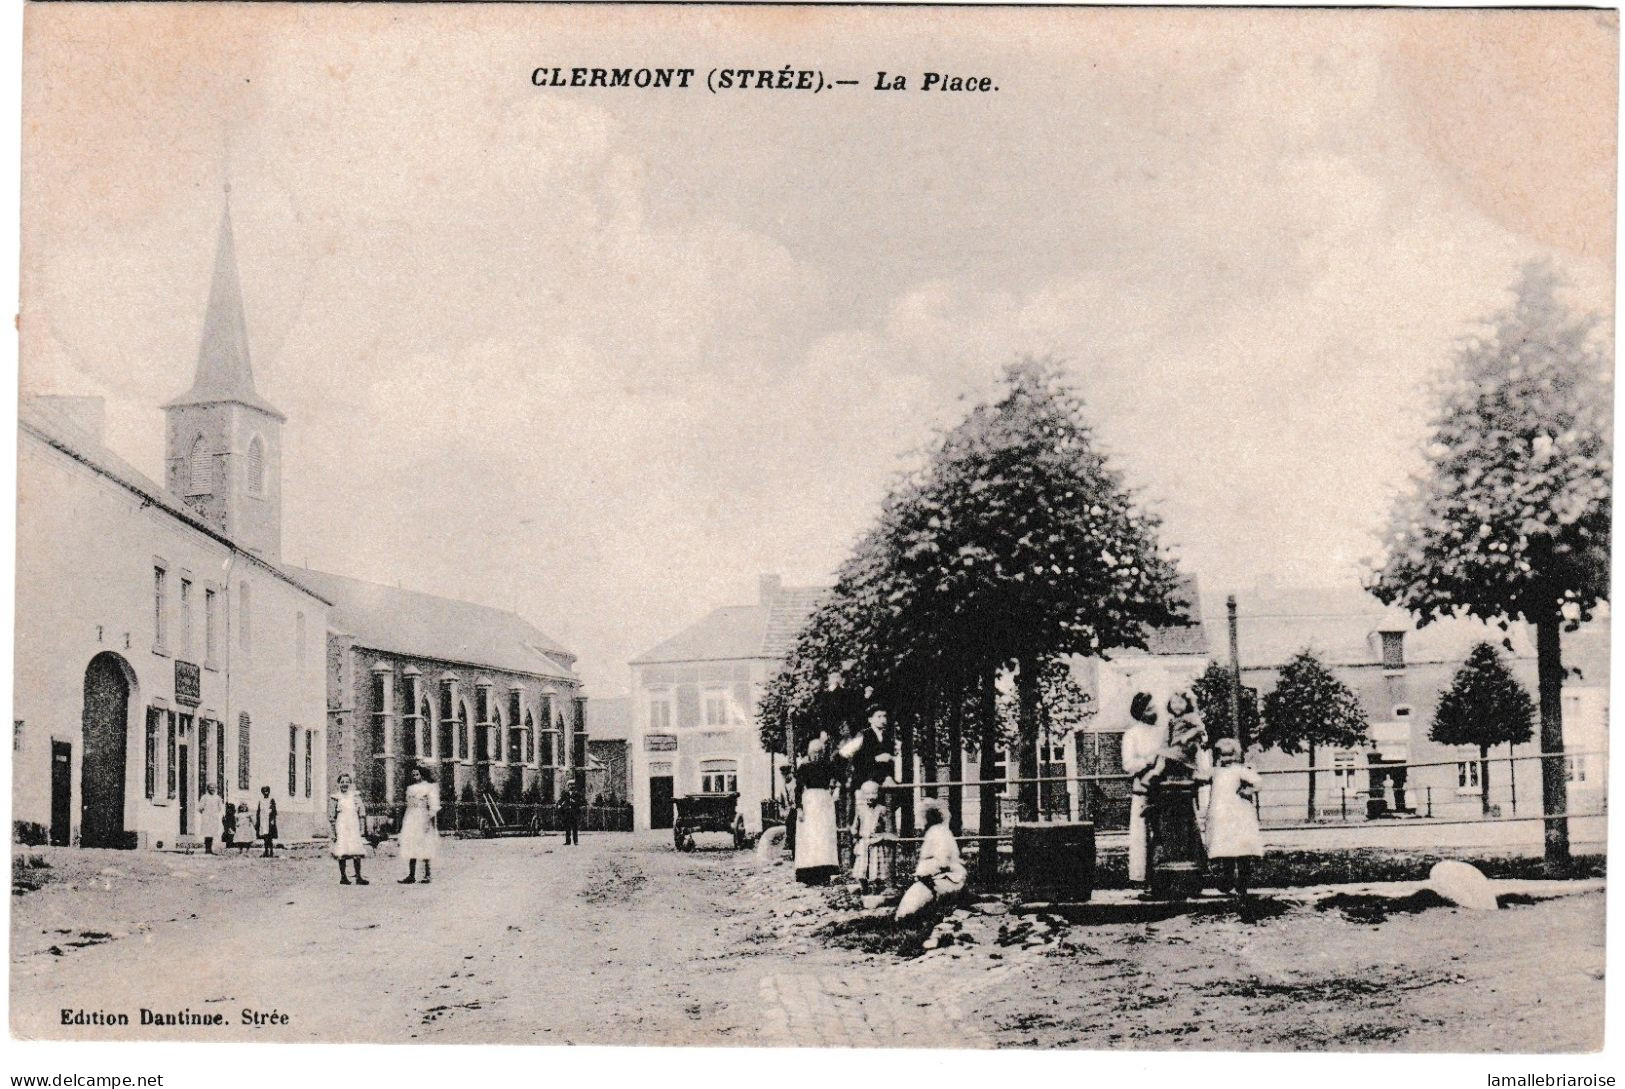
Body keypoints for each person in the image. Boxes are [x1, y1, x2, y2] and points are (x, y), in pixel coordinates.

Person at [1203, 738, 1263, 897]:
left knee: (1241, 848)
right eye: (1222, 755)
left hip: (1237, 813)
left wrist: (1247, 792)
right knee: (1226, 848)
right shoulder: (1215, 771)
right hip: (1221, 813)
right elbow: (1200, 777)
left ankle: (1242, 884)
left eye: (1230, 755)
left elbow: (1257, 782)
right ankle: (1228, 880)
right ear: (1217, 756)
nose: (1226, 759)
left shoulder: (1239, 770)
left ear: (1236, 755)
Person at [1120, 692, 1165, 887]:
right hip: (1144, 789)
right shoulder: (1132, 734)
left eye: (1154, 707)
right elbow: (1128, 765)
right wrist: (1148, 760)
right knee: (1143, 835)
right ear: (1140, 712)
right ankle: (1144, 878)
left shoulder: (1164, 731)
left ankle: (1166, 874)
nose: (1153, 711)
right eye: (1148, 709)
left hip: (1164, 788)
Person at [895, 799, 966, 921]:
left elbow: (943, 862)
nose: (922, 820)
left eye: (924, 816)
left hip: (943, 878)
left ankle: (914, 917)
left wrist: (926, 875)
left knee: (909, 907)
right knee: (909, 903)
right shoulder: (938, 831)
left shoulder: (937, 832)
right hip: (937, 878)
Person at [794, 738, 839, 885]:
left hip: (825, 802)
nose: (816, 755)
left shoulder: (829, 767)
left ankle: (824, 872)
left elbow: (837, 781)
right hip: (810, 803)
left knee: (824, 837)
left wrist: (834, 791)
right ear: (809, 753)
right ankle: (808, 874)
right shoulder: (804, 768)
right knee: (810, 837)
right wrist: (799, 809)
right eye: (814, 752)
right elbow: (798, 789)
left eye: (819, 752)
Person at [849, 780, 896, 893]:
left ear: (878, 794)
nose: (870, 797)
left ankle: (877, 888)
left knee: (876, 869)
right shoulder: (860, 809)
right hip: (864, 842)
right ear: (863, 795)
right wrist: (855, 834)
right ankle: (863, 888)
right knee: (862, 869)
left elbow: (888, 828)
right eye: (867, 794)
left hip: (877, 843)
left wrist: (883, 836)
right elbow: (855, 826)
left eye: (873, 793)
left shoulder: (882, 810)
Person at [398, 765, 441, 884]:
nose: (415, 777)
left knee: (425, 844)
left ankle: (427, 875)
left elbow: (433, 806)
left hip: (423, 817)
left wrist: (428, 820)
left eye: (417, 774)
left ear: (422, 774)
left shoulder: (429, 787)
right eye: (413, 775)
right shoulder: (410, 789)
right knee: (412, 844)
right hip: (412, 818)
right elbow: (409, 805)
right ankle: (411, 875)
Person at [329, 773, 369, 885]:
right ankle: (343, 877)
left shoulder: (355, 796)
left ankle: (358, 877)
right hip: (341, 825)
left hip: (353, 825)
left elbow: (362, 812)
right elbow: (332, 816)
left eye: (347, 782)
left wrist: (362, 829)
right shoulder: (335, 798)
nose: (344, 784)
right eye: (342, 782)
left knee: (356, 849)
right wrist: (333, 832)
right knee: (342, 850)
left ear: (350, 783)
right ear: (339, 784)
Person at [197, 784, 225, 855]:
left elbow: (219, 808)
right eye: (210, 788)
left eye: (213, 788)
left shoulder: (217, 798)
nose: (212, 789)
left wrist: (214, 814)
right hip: (206, 817)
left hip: (214, 817)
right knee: (207, 833)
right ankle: (207, 849)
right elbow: (200, 808)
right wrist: (205, 814)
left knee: (212, 833)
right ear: (207, 789)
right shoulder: (204, 797)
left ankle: (210, 849)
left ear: (216, 789)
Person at [254, 785, 279, 859]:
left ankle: (271, 851)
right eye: (264, 791)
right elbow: (258, 811)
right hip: (262, 820)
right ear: (262, 792)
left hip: (269, 820)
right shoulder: (261, 800)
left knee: (269, 836)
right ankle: (265, 851)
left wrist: (272, 820)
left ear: (269, 792)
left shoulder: (271, 800)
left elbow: (274, 811)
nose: (266, 792)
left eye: (267, 791)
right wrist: (257, 821)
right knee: (265, 837)